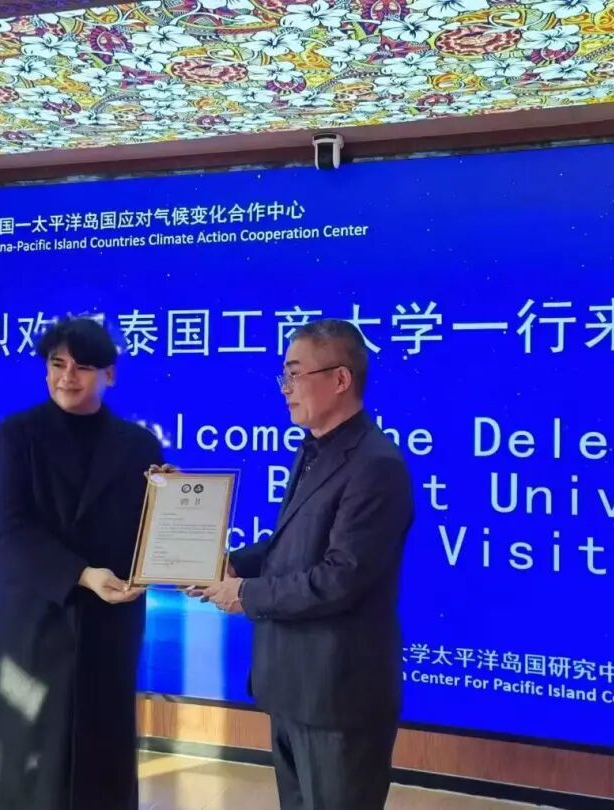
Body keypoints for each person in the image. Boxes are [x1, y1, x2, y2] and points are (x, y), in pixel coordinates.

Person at [198, 318, 414, 810]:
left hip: (338, 697)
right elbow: (291, 545)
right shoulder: (315, 450)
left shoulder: (376, 465)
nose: (286, 388)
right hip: (293, 687)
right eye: (284, 375)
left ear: (340, 379)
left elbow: (340, 578)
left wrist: (245, 595)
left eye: (296, 374)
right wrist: (228, 564)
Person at [0, 317, 163, 810]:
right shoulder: (19, 434)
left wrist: (178, 506)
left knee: (101, 758)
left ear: (109, 374)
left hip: (109, 623)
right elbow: (11, 532)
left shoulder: (139, 445)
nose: (67, 376)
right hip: (37, 621)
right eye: (57, 364)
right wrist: (81, 574)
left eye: (83, 366)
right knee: (26, 763)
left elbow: (150, 533)